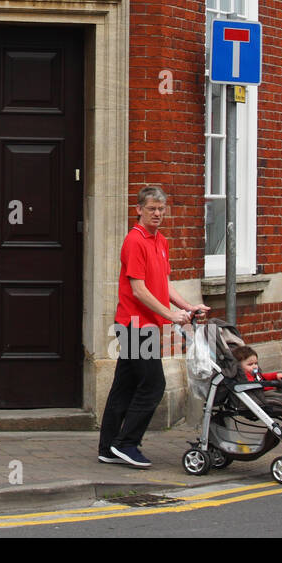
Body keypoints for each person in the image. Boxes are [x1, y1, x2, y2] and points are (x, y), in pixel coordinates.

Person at [98, 185, 209, 469]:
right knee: (153, 384)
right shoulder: (134, 241)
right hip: (134, 326)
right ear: (138, 210)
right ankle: (127, 444)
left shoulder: (161, 241)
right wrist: (172, 316)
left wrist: (188, 307)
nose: (157, 213)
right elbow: (139, 290)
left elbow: (163, 285)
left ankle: (108, 447)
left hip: (146, 327)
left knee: (124, 386)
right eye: (151, 209)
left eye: (161, 209)